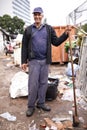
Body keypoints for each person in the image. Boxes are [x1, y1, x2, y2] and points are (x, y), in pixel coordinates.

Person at [21, 7, 70, 117]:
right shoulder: (28, 29)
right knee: (33, 85)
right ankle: (30, 106)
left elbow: (56, 42)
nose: (37, 16)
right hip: (33, 61)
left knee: (43, 83)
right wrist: (24, 61)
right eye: (35, 14)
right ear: (33, 16)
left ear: (42, 16)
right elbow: (24, 46)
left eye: (39, 14)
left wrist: (65, 34)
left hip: (45, 61)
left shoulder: (48, 29)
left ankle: (41, 103)